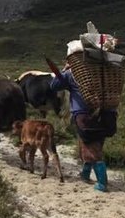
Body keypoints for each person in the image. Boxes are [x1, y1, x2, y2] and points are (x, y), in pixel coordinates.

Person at [49, 63, 117, 192]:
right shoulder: (107, 72)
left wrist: (65, 70)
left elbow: (54, 85)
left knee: (91, 148)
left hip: (84, 116)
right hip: (109, 115)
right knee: (94, 143)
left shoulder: (73, 73)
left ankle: (102, 183)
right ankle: (85, 174)